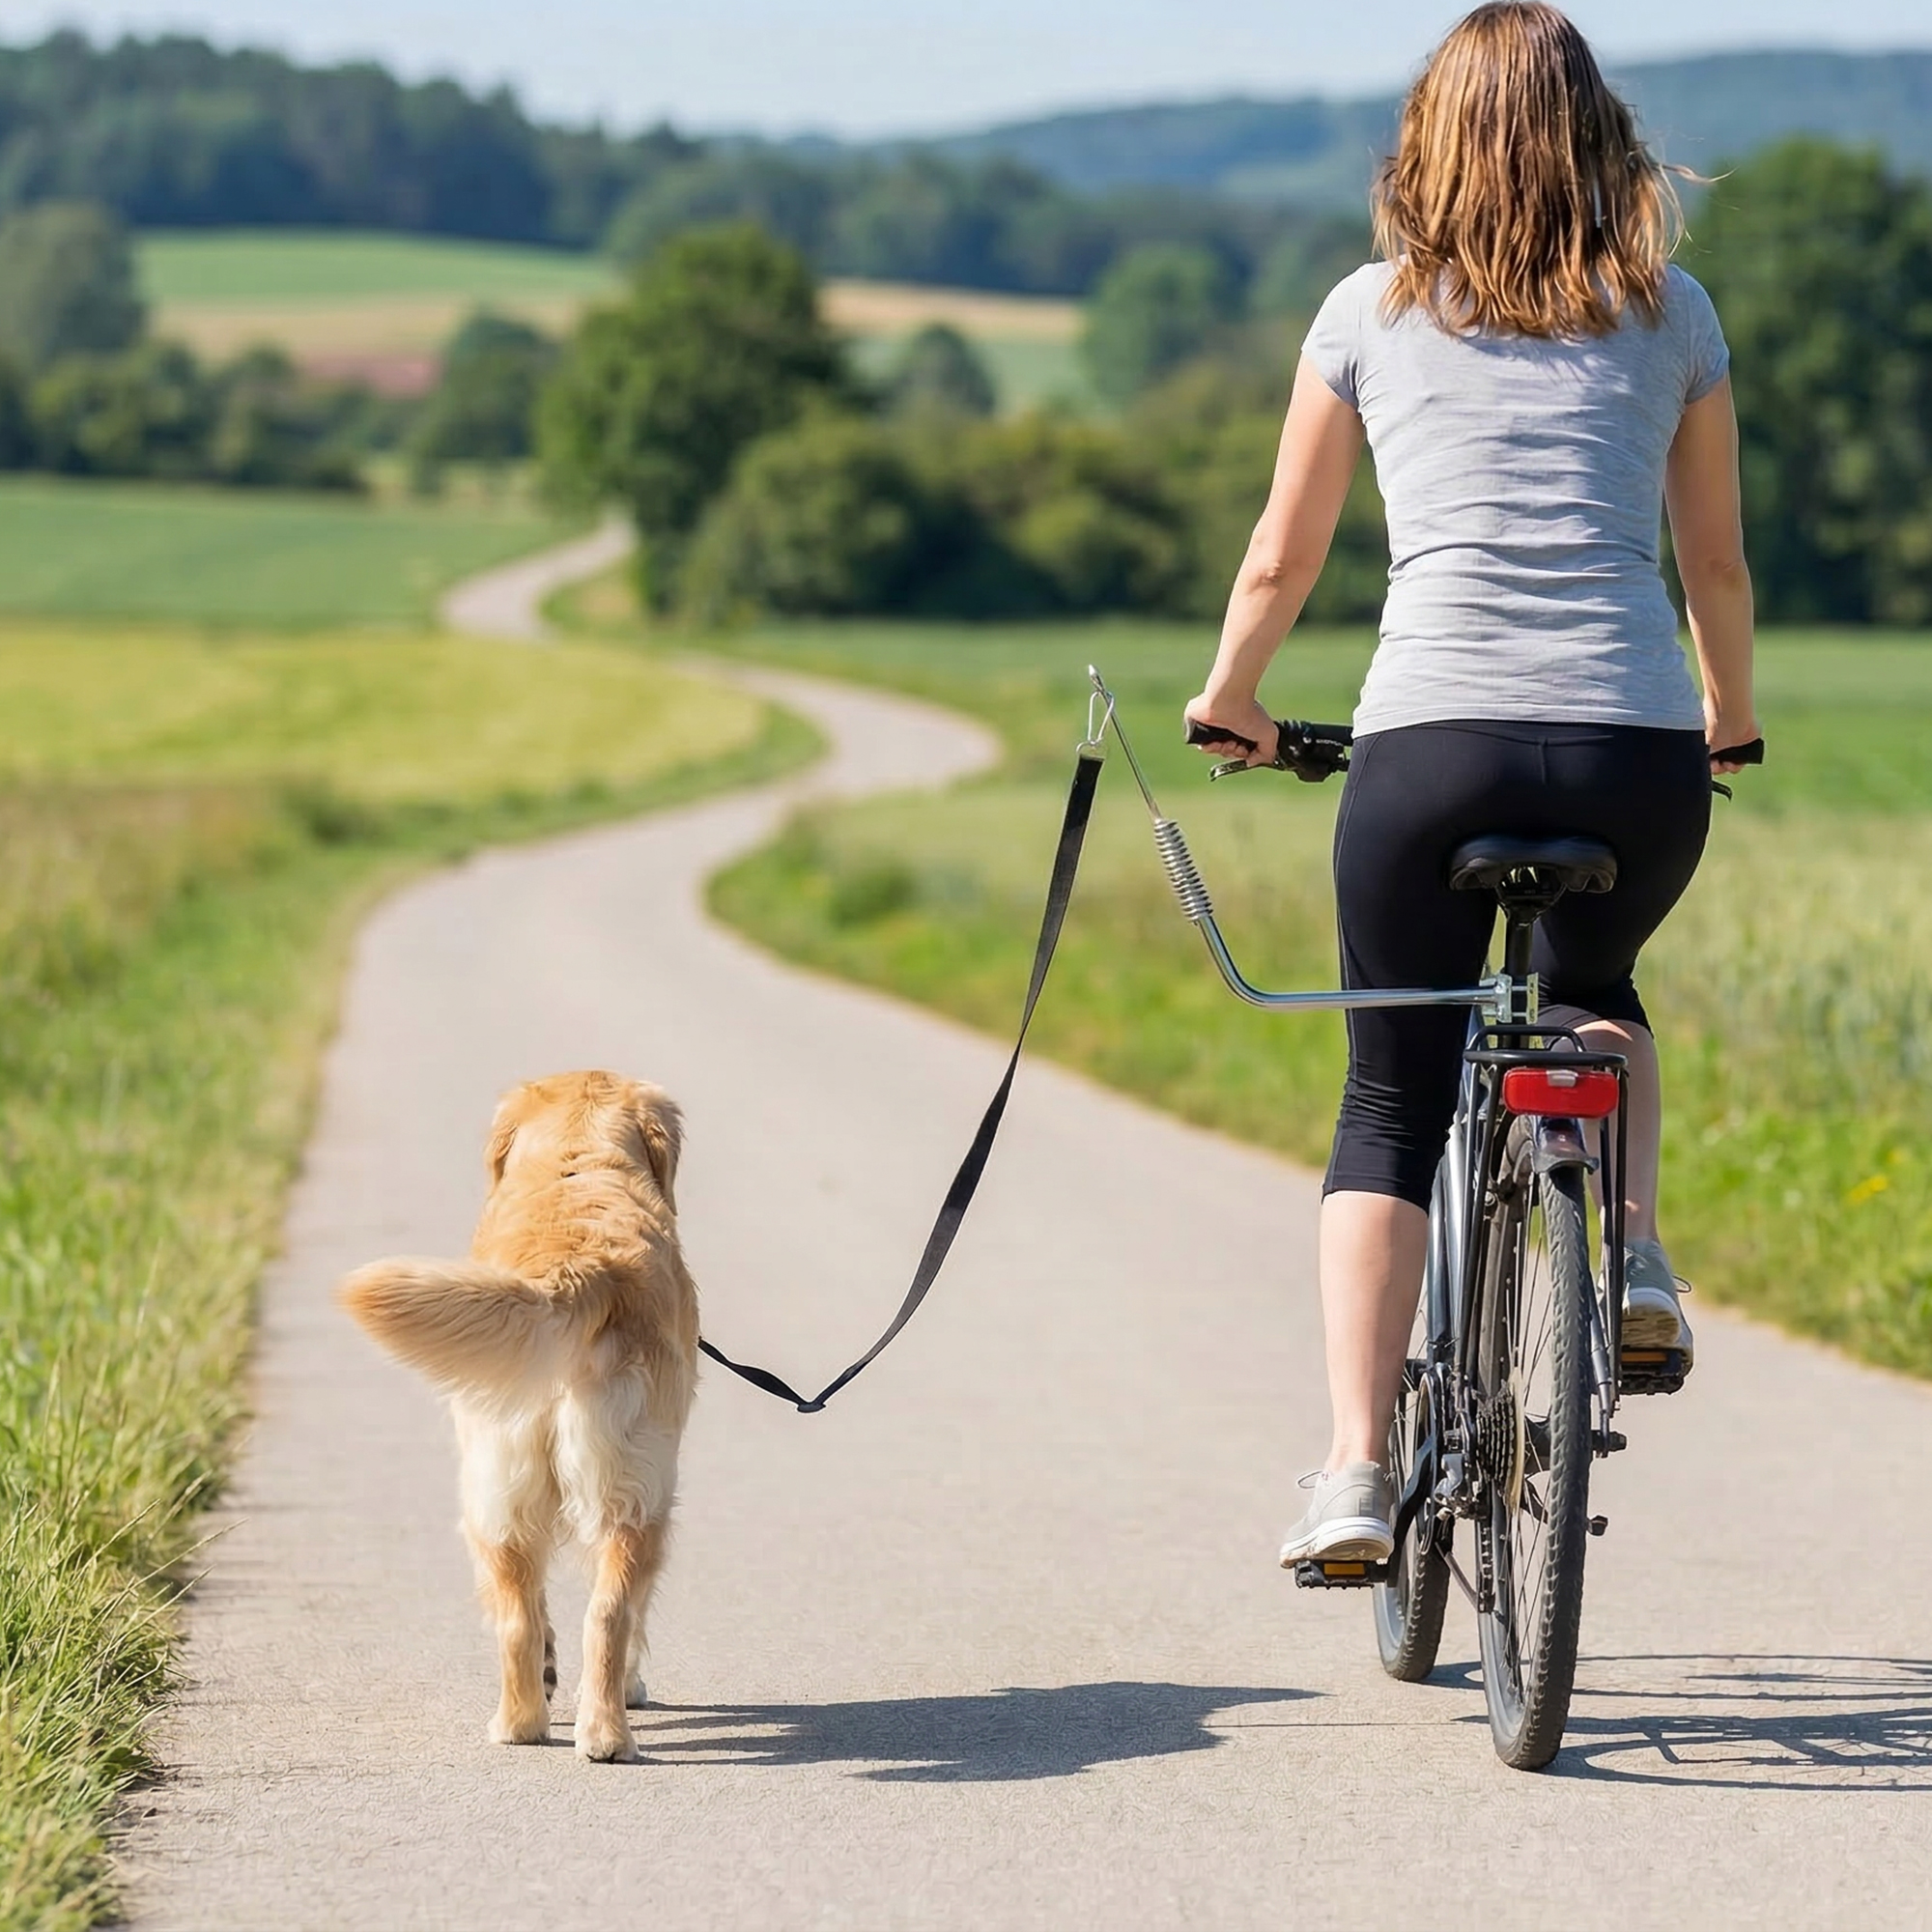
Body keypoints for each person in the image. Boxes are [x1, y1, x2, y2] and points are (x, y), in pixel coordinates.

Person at [1182, 1, 1758, 1567]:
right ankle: (1632, 1258)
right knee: (1598, 984)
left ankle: (1360, 1471)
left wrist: (1231, 700)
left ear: (1424, 149)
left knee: (1388, 1099)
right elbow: (1709, 558)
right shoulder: (1675, 312)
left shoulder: (1366, 313)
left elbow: (1279, 555)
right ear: (1602, 143)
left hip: (1428, 751)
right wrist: (1729, 719)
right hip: (1635, 753)